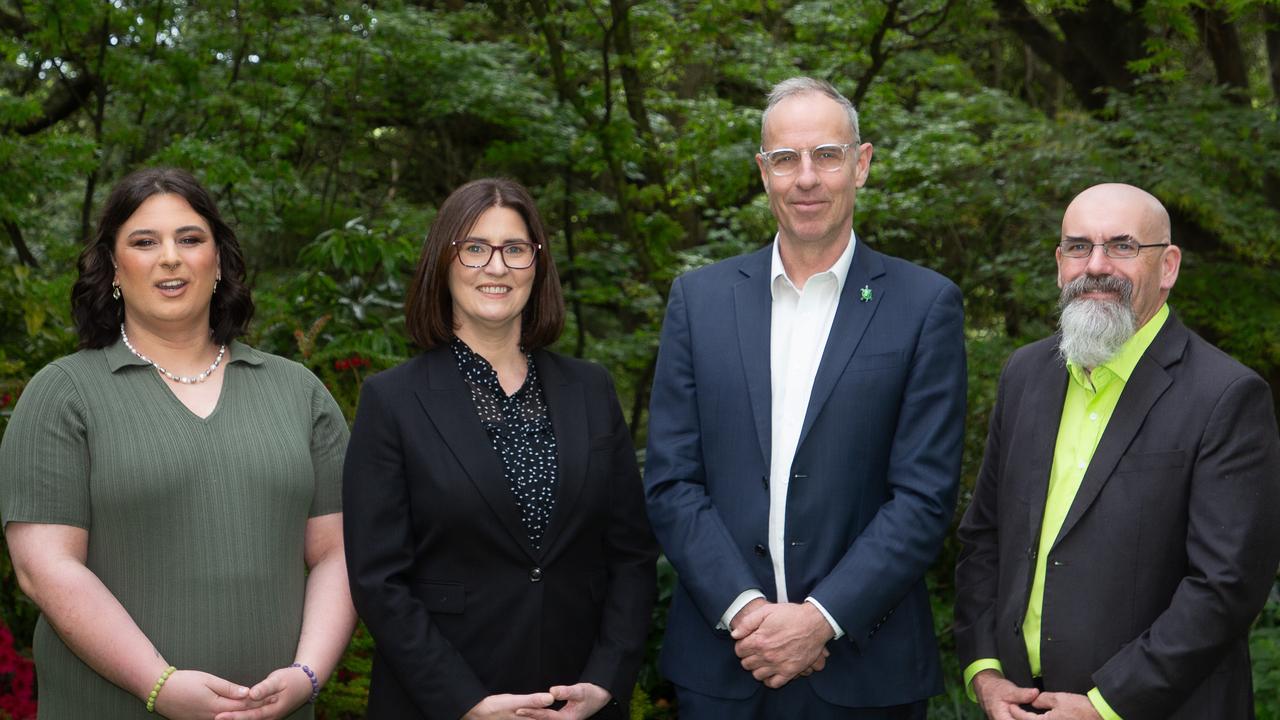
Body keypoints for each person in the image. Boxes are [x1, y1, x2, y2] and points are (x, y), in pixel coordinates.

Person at [643, 76, 967, 718]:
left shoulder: (924, 304)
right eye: (786, 159)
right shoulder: (698, 301)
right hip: (722, 667)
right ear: (763, 173)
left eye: (827, 154)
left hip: (864, 670)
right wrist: (748, 613)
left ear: (862, 163)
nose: (806, 177)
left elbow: (925, 497)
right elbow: (672, 482)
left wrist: (820, 619)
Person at [0, 167, 357, 719]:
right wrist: (159, 685)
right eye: (144, 242)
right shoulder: (65, 394)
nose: (170, 257)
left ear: (218, 262)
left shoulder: (298, 392)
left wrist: (308, 674)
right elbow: (44, 568)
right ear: (114, 268)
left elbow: (338, 551)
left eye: (190, 239)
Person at [954, 183, 1280, 720]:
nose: (1097, 265)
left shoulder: (1226, 395)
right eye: (1079, 247)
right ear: (1060, 263)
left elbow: (1226, 588)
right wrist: (984, 670)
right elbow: (985, 536)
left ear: (1168, 265)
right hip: (1018, 705)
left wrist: (1105, 705)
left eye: (1123, 247)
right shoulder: (1026, 375)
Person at [342, 177, 657, 720]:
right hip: (444, 701)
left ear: (537, 265)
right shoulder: (392, 401)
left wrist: (606, 679)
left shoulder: (590, 389)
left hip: (574, 698)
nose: (497, 267)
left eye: (515, 249)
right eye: (475, 248)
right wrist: (466, 702)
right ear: (445, 262)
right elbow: (378, 581)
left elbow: (630, 554)